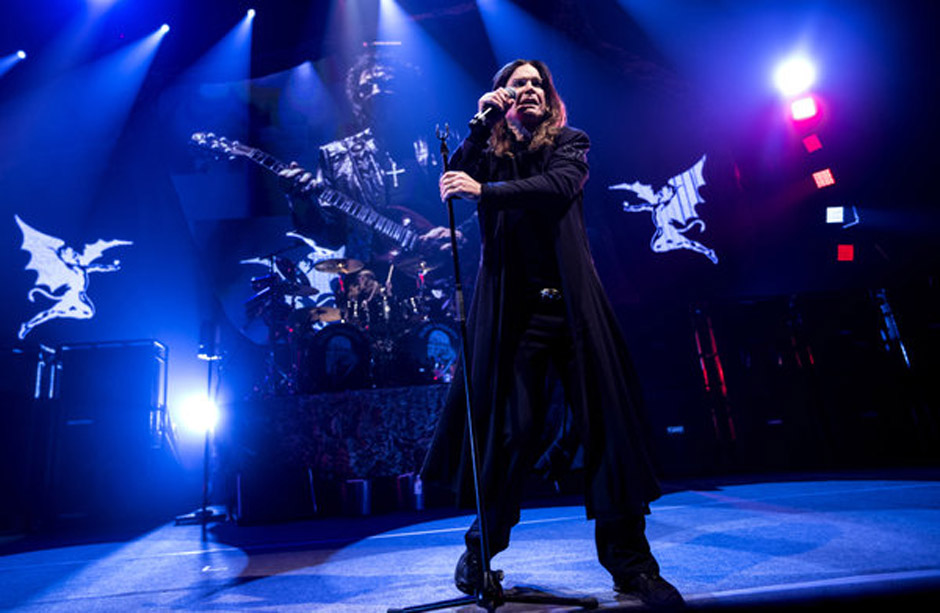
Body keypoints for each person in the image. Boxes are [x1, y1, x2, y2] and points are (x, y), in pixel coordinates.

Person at [422, 59, 685, 608]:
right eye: (517, 84)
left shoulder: (569, 142)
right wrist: (477, 127)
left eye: (537, 84)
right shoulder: (488, 153)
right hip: (515, 318)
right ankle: (481, 551)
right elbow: (454, 181)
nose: (529, 90)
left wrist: (485, 192)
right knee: (511, 433)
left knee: (604, 429)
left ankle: (632, 565)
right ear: (501, 98)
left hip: (572, 309)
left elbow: (558, 186)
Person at [278, 50, 463, 276]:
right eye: (366, 88)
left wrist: (460, 233)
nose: (376, 92)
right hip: (373, 280)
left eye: (386, 83)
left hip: (448, 270)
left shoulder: (444, 142)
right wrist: (298, 200)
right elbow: (330, 237)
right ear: (357, 98)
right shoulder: (337, 157)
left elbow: (481, 205)